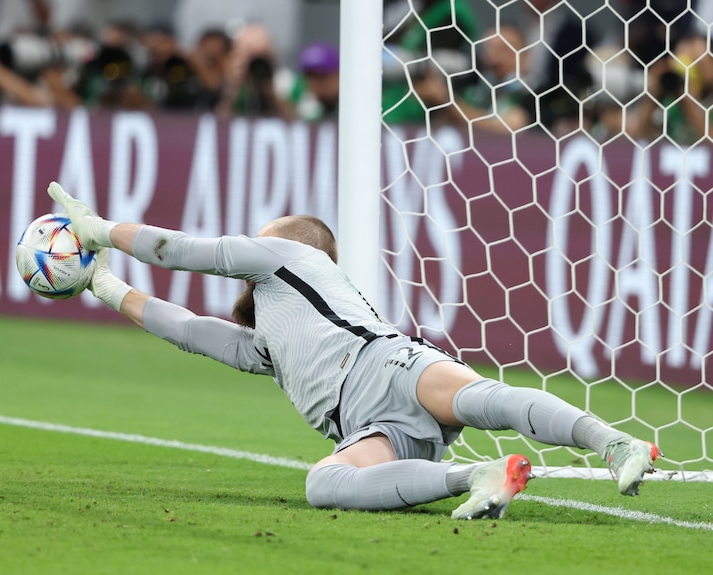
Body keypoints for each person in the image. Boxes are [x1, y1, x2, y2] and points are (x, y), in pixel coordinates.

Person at [44, 181, 663, 519]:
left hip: (387, 365)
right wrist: (103, 284)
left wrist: (101, 231)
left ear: (291, 244)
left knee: (488, 402)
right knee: (324, 484)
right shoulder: (270, 345)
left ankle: (616, 443)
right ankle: (473, 475)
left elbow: (182, 251)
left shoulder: (292, 255)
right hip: (367, 426)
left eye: (259, 242)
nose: (249, 254)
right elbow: (185, 327)